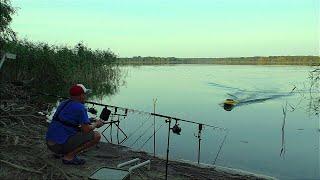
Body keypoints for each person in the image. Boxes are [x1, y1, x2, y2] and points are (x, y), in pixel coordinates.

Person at [46, 84, 104, 165]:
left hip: (49, 143)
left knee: (73, 131)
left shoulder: (64, 103)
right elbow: (86, 130)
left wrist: (89, 120)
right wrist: (96, 124)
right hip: (58, 146)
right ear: (81, 96)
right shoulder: (80, 108)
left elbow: (67, 121)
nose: (86, 97)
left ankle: (61, 153)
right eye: (85, 95)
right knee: (96, 135)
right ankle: (69, 157)